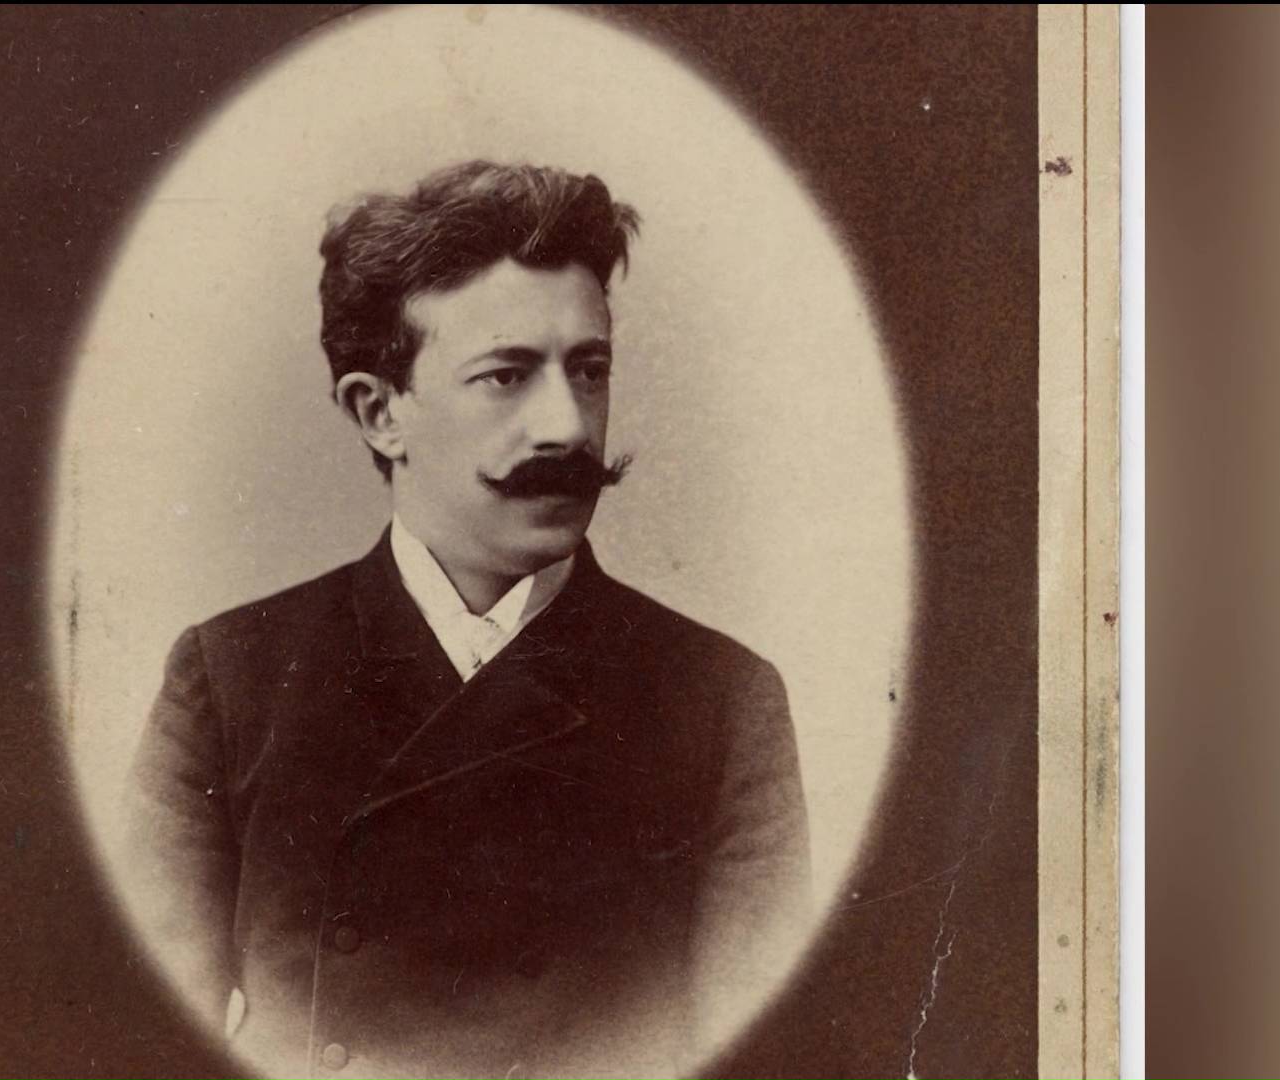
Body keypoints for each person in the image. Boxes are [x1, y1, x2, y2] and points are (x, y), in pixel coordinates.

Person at [124, 160, 809, 1080]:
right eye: (505, 376)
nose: (568, 427)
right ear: (378, 412)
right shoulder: (232, 677)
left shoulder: (720, 701)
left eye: (589, 370)